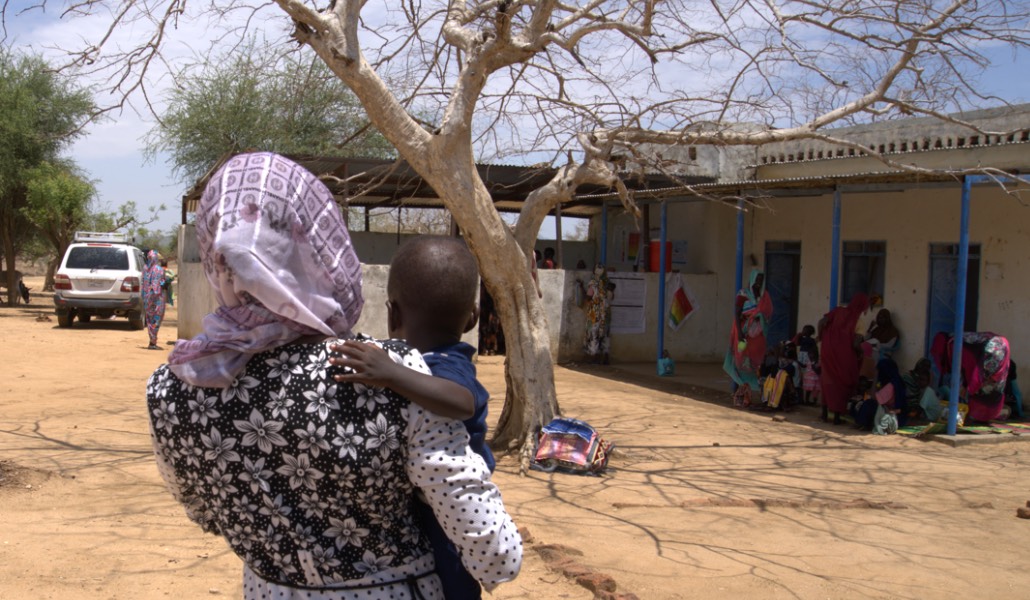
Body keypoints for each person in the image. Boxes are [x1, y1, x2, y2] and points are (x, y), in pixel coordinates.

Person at [145, 152, 522, 599]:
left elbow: (206, 514)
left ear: (215, 253)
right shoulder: (384, 372)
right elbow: (497, 554)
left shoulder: (170, 388)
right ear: (320, 248)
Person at [328, 235, 494, 600]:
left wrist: (391, 373)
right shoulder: (423, 363)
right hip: (424, 501)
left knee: (453, 580)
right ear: (473, 317)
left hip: (448, 511)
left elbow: (462, 402)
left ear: (393, 314)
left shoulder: (450, 362)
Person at [818, 293, 870, 425]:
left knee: (827, 380)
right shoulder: (859, 321)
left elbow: (822, 322)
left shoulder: (838, 311)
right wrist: (860, 353)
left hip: (827, 350)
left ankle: (824, 414)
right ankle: (836, 416)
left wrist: (820, 337)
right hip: (844, 354)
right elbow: (855, 344)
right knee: (842, 382)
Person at [723, 268, 773, 398]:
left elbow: (768, 314)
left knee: (756, 364)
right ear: (752, 279)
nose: (758, 282)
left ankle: (755, 390)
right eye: (757, 279)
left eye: (761, 280)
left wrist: (759, 317)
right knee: (741, 362)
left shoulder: (764, 296)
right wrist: (740, 333)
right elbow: (737, 314)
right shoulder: (743, 294)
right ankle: (741, 388)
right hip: (744, 335)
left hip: (758, 338)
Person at [583, 263, 614, 364]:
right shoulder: (609, 284)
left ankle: (594, 356)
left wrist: (582, 290)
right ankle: (605, 357)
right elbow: (611, 297)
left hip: (595, 314)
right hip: (606, 313)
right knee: (605, 335)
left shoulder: (593, 284)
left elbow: (588, 297)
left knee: (594, 334)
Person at [141, 250, 166, 349]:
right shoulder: (158, 269)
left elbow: (143, 283)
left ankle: (152, 340)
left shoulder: (145, 269)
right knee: (157, 318)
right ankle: (153, 342)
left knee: (149, 319)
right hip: (157, 298)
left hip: (146, 298)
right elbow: (159, 285)